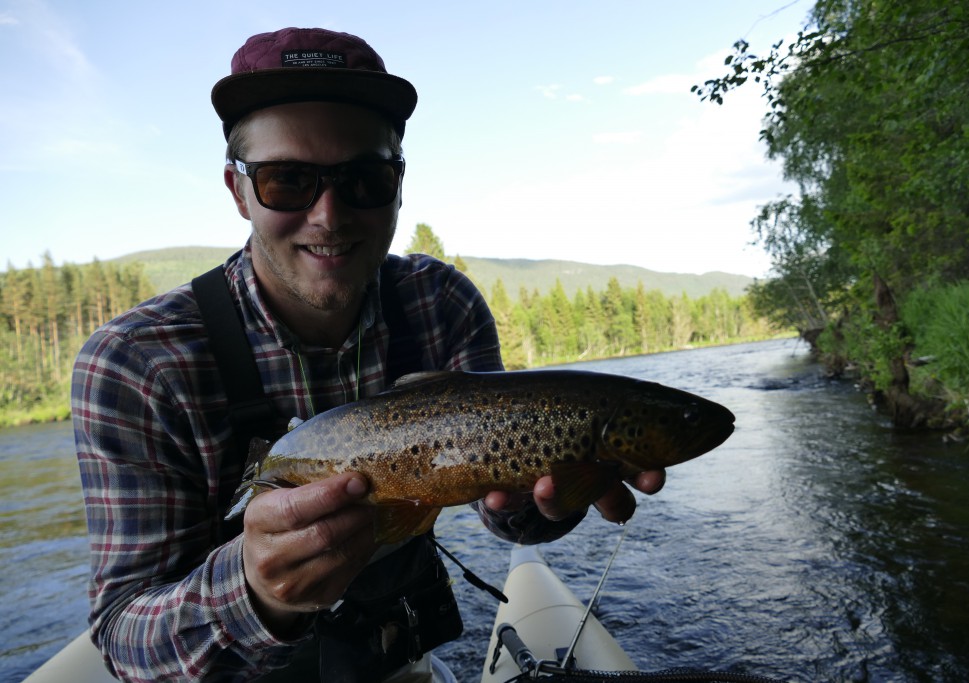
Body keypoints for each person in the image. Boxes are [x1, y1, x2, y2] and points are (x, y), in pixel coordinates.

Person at [71, 27, 665, 682]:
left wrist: (540, 503)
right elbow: (123, 636)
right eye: (288, 180)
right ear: (238, 191)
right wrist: (256, 589)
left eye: (364, 178)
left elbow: (509, 514)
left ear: (399, 184)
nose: (329, 215)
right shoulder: (134, 363)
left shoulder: (443, 305)